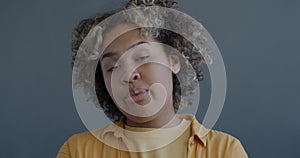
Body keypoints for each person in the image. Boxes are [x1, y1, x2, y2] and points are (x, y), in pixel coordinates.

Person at [57, 0, 248, 157]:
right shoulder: (78, 151)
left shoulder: (225, 150)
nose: (129, 74)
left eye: (141, 57)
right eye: (113, 68)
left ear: (174, 61)